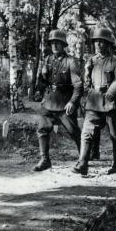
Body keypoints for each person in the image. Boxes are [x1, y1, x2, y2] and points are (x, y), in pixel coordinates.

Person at [72, 27, 116, 175]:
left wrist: (111, 92)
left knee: (115, 135)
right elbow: (86, 81)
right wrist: (86, 95)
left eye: (102, 42)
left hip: (110, 102)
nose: (99, 45)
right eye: (96, 42)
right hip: (94, 100)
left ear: (109, 44)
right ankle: (83, 162)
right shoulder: (91, 61)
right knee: (86, 132)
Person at [34, 29, 83, 171]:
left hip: (64, 103)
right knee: (42, 129)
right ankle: (44, 159)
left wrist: (73, 102)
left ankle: (83, 159)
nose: (54, 46)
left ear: (63, 45)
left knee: (74, 132)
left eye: (58, 43)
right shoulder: (48, 60)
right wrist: (39, 88)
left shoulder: (70, 62)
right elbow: (42, 79)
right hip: (49, 101)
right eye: (52, 43)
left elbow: (78, 85)